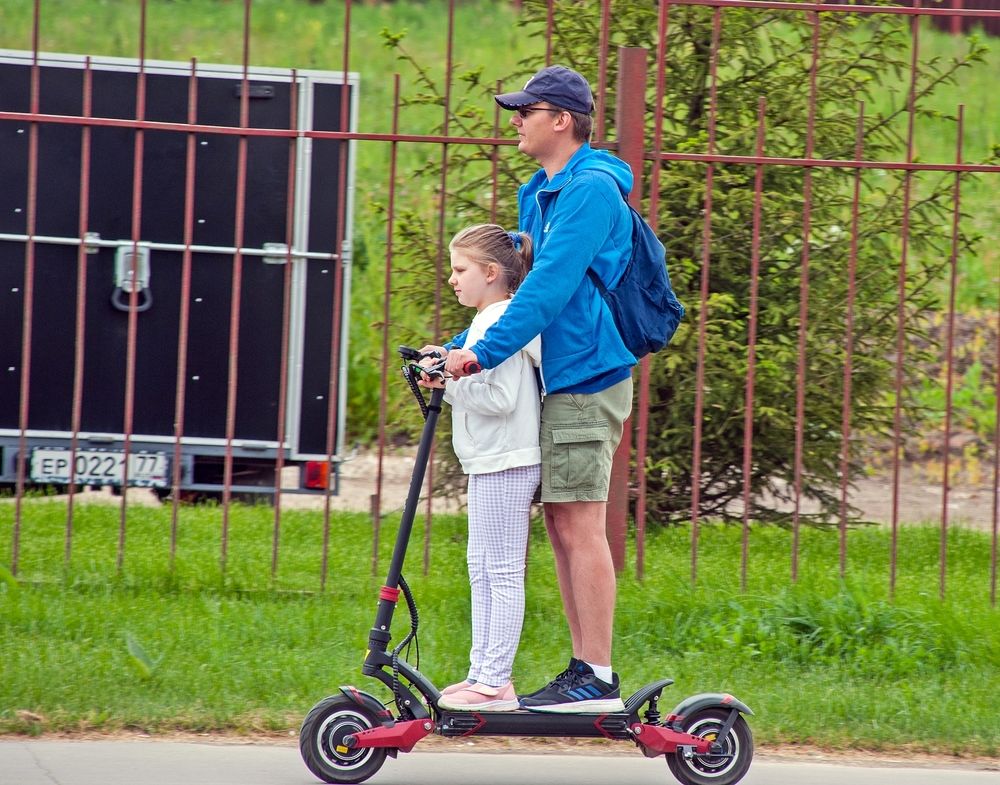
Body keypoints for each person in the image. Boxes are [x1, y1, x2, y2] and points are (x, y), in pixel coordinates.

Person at [443, 65, 635, 714]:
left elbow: (550, 287)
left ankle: (598, 677)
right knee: (560, 521)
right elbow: (514, 287)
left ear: (563, 119)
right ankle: (586, 670)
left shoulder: (589, 192)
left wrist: (480, 356)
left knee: (579, 522)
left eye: (528, 109)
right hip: (557, 376)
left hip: (586, 374)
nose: (516, 119)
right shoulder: (541, 189)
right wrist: (463, 344)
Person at [425, 224, 542, 712]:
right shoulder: (487, 320)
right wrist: (445, 363)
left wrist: (446, 381)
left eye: (460, 269)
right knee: (481, 567)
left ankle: (495, 681)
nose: (452, 279)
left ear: (491, 273)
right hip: (493, 459)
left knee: (501, 570)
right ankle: (483, 673)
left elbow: (497, 397)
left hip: (506, 460)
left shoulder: (499, 322)